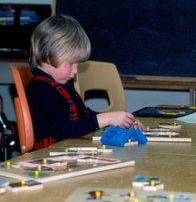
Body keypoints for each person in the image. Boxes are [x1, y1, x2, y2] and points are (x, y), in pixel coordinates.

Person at [26, 14, 143, 150]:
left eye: (78, 65)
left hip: (65, 151)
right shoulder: (39, 90)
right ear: (47, 56)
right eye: (71, 64)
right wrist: (106, 119)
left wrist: (118, 120)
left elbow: (83, 116)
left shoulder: (62, 85)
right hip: (50, 156)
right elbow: (62, 130)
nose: (75, 71)